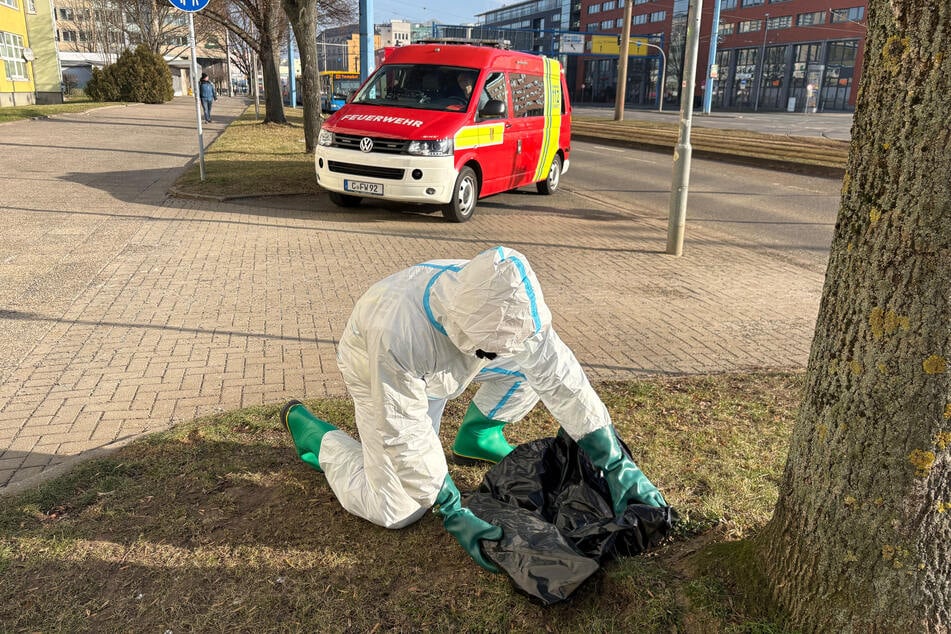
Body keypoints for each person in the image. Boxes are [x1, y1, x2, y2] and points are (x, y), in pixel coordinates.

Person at [282, 246, 667, 572]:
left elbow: (560, 377)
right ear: (468, 335)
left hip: (456, 357)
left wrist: (613, 459)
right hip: (379, 370)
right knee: (396, 508)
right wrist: (451, 507)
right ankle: (316, 434)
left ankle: (477, 436)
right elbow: (402, 431)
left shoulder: (508, 304)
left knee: (530, 368)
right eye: (493, 349)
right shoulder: (398, 332)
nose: (509, 351)